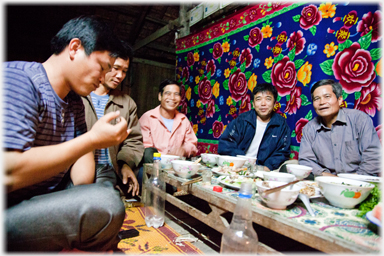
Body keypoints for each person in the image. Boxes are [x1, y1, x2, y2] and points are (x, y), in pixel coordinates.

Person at [4, 16, 129, 252]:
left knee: (103, 195)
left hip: (38, 202)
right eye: (102, 68)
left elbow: (82, 181)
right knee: (104, 204)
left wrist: (93, 142)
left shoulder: (74, 103)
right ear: (75, 48)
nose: (103, 79)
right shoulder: (20, 79)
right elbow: (7, 173)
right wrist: (92, 139)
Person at [82, 41, 143, 197]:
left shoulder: (127, 103)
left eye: (124, 71)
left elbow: (133, 140)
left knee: (107, 198)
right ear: (104, 63)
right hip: (78, 169)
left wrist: (125, 164)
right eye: (116, 68)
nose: (120, 76)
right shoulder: (80, 96)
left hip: (108, 170)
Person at [299, 79, 381, 177]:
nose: (322, 102)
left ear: (340, 99)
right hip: (326, 181)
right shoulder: (309, 128)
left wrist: (350, 181)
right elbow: (306, 160)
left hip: (360, 181)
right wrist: (331, 179)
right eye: (317, 98)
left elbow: (373, 157)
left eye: (327, 96)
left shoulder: (360, 120)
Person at [218, 83, 291, 171]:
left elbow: (282, 152)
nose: (263, 103)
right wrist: (242, 161)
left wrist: (267, 167)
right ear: (253, 104)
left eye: (268, 99)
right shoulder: (242, 120)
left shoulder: (281, 125)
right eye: (258, 99)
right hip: (237, 166)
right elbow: (225, 144)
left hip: (262, 169)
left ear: (275, 103)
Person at [139, 79, 198, 162]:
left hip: (176, 165)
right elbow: (146, 149)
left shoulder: (183, 120)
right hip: (153, 165)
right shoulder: (148, 118)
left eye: (176, 94)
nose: (172, 98)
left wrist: (184, 149)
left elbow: (192, 144)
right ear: (160, 96)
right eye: (168, 93)